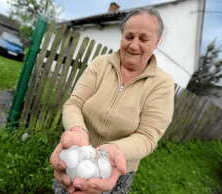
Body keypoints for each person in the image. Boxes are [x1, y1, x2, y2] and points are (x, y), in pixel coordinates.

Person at [50, 7, 175, 194]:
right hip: (78, 155)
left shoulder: (162, 84)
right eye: (129, 36)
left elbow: (148, 137)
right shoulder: (100, 64)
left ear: (156, 42)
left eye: (143, 39)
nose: (133, 45)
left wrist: (113, 150)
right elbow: (74, 103)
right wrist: (77, 131)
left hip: (115, 168)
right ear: (122, 36)